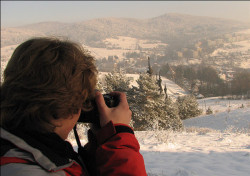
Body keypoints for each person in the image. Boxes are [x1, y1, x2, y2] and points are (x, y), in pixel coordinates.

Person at [0, 37, 147, 176]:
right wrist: (119, 137)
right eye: (83, 99)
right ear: (64, 106)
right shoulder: (26, 171)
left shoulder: (25, 151)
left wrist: (100, 142)